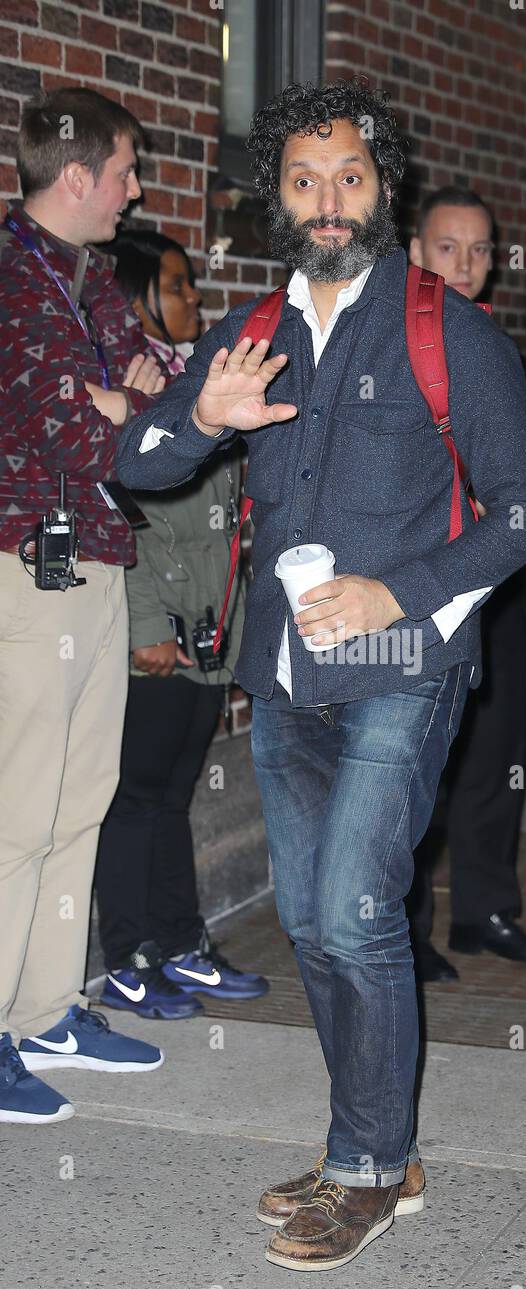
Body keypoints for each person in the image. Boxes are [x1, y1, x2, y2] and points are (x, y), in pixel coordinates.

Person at [116, 79, 526, 1271]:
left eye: (349, 178)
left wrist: (396, 592)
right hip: (287, 673)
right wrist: (202, 417)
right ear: (277, 196)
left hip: (403, 666)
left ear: (383, 188)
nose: (326, 202)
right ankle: (375, 1140)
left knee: (359, 913)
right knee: (313, 923)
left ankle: (366, 1170)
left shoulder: (443, 328)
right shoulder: (250, 329)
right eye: (303, 181)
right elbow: (136, 457)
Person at [0, 88, 167, 1124]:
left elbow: (164, 393)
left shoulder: (92, 275)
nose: (135, 189)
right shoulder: (15, 279)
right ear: (76, 178)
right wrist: (117, 398)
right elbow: (76, 428)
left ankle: (46, 1005)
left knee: (80, 798)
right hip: (28, 564)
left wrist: (128, 393)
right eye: (125, 170)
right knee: (17, 808)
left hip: (98, 556)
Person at [94, 229, 268, 1020]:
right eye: (177, 286)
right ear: (137, 299)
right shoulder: (127, 390)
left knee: (171, 797)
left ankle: (178, 943)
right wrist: (145, 624)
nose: (194, 300)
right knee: (134, 799)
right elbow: (122, 517)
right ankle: (129, 956)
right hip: (157, 637)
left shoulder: (192, 380)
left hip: (209, 630)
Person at [406, 187, 526, 981]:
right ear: (413, 252)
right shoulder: (389, 338)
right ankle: (402, 929)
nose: (466, 266)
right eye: (448, 248)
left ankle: (485, 910)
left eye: (480, 250)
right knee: (416, 754)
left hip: (496, 576)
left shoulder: (496, 340)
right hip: (422, 581)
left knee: (498, 748)